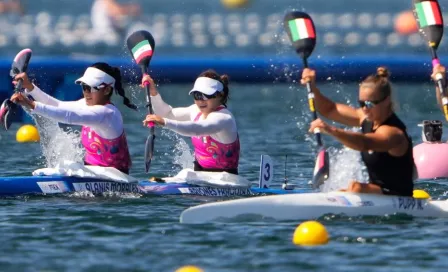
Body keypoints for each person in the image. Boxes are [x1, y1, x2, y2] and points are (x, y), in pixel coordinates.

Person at [303, 67, 414, 196]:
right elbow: (329, 109)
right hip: (375, 192)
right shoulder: (366, 117)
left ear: (387, 100)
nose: (365, 109)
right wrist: (312, 87)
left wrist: (331, 130)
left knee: (356, 187)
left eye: (370, 104)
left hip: (398, 196)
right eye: (361, 103)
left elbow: (365, 143)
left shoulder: (394, 133)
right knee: (353, 188)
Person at [10, 62, 136, 174]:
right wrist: (30, 87)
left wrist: (31, 104)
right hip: (92, 173)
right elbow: (57, 105)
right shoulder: (87, 104)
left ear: (107, 90)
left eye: (90, 88)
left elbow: (68, 116)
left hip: (116, 177)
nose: (86, 92)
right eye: (84, 87)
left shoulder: (108, 113)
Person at [142, 70, 240, 175]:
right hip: (199, 175)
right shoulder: (194, 110)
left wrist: (164, 122)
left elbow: (197, 129)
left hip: (226, 178)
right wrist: (153, 93)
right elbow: (166, 114)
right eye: (197, 95)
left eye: (207, 95)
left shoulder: (224, 118)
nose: (201, 101)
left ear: (220, 95)